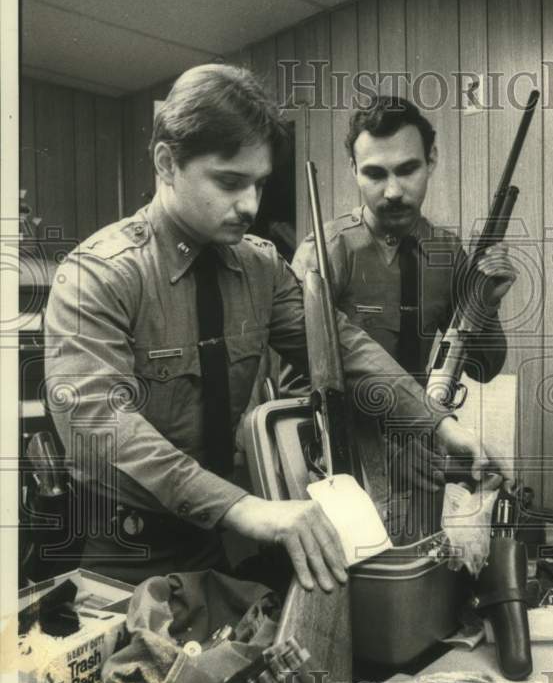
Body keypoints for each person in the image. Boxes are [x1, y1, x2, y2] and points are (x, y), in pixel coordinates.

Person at [44, 64, 493, 589]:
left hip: (215, 537)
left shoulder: (259, 267)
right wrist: (241, 507)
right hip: (124, 549)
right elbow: (99, 425)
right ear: (168, 163)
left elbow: (340, 343)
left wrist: (439, 424)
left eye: (259, 184)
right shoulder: (97, 274)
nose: (251, 206)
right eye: (230, 182)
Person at [283, 96, 517, 538]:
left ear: (431, 161)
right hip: (348, 464)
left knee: (420, 583)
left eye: (407, 169)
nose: (392, 191)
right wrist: (378, 448)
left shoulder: (448, 253)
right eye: (374, 173)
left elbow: (485, 367)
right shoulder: (327, 251)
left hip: (426, 453)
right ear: (353, 170)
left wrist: (486, 302)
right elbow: (295, 387)